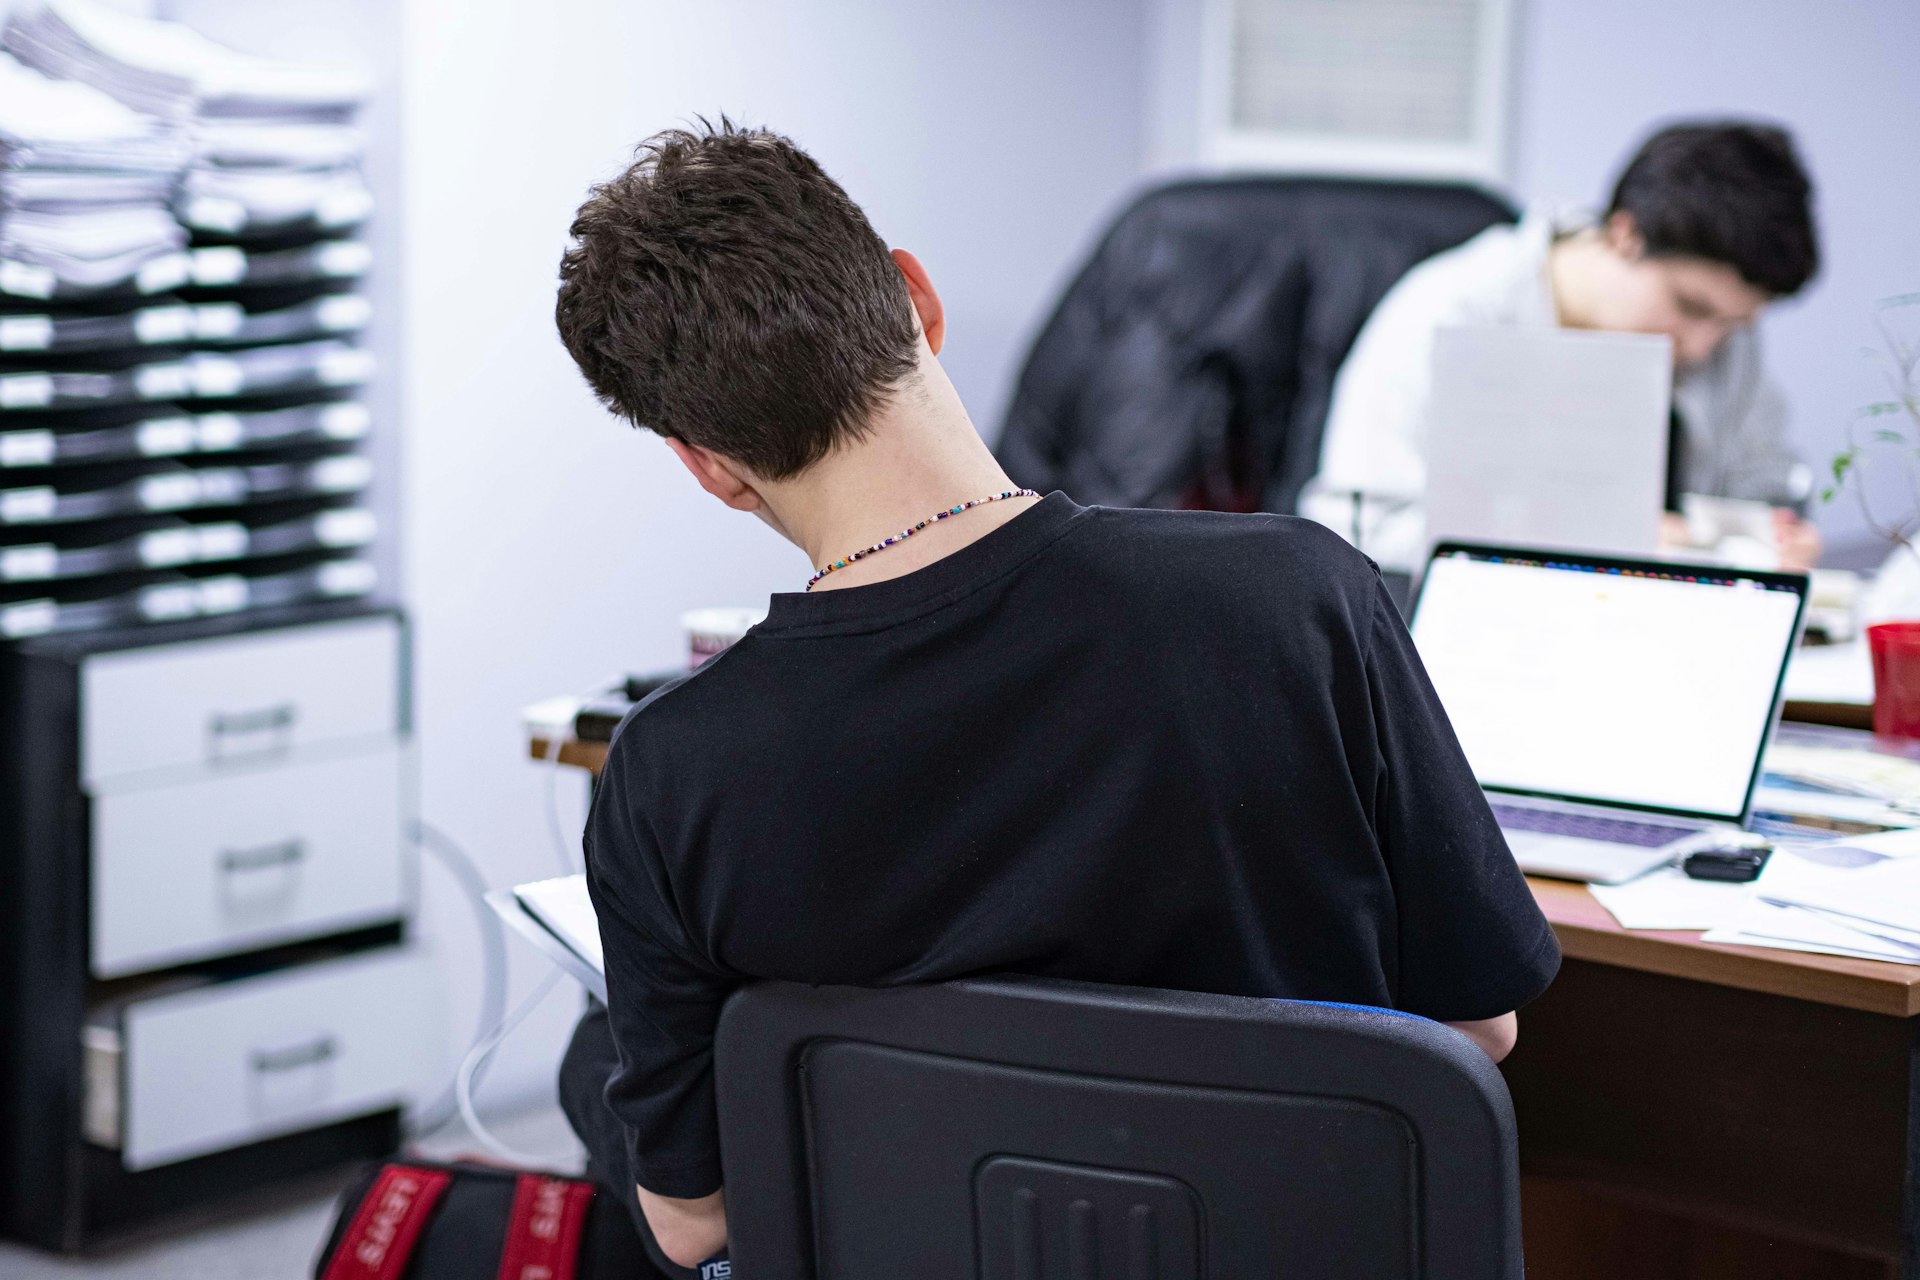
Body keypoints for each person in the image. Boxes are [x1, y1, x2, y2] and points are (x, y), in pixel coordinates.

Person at [551, 120, 1560, 1272]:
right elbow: (1475, 1030)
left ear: (706, 463)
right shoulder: (1299, 597)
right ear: (917, 302)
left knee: (600, 1062)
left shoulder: (670, 771)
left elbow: (694, 1222)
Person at [1299, 120, 1823, 573]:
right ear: (1625, 236)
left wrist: (1768, 536)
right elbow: (1357, 530)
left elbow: (1763, 488)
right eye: (1692, 307)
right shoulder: (1451, 310)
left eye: (1733, 324)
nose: (1703, 345)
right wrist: (1588, 539)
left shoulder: (1722, 342)